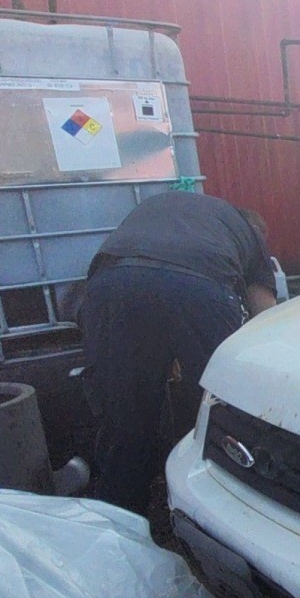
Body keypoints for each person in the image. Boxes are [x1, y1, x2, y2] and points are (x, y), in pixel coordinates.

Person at [77, 191, 277, 513]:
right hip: (196, 284)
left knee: (125, 414)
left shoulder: (183, 209)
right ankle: (223, 510)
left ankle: (120, 520)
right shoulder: (249, 233)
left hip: (111, 283)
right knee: (225, 406)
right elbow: (265, 314)